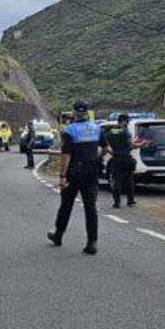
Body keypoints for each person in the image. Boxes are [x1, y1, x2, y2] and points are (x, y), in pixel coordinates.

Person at [48, 101, 107, 255]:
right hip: (92, 172)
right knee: (90, 207)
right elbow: (106, 148)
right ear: (87, 112)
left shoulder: (69, 130)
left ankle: (58, 236)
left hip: (74, 173)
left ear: (74, 113)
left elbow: (66, 156)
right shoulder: (97, 128)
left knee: (66, 205)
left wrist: (62, 176)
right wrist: (98, 159)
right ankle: (92, 243)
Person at [104, 114, 136, 208]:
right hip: (126, 158)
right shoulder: (125, 131)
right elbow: (131, 145)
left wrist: (112, 152)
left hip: (116, 158)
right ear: (124, 121)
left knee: (116, 181)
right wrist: (140, 145)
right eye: (127, 121)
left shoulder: (112, 131)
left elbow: (106, 143)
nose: (128, 123)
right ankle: (130, 201)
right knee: (129, 180)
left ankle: (116, 203)